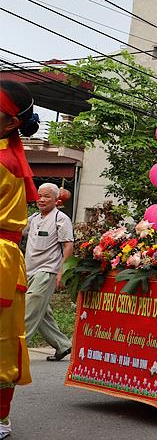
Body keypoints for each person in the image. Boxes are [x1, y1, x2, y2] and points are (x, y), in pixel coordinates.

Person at [0, 81, 40, 439]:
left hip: (1, 260)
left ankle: (0, 418)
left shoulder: (5, 161)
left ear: (11, 123)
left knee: (2, 341)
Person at [22, 183, 74, 361]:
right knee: (42, 313)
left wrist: (61, 271)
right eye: (39, 196)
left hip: (47, 271)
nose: (41, 200)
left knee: (28, 311)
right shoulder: (34, 218)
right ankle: (63, 345)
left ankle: (14, 350)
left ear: (56, 199)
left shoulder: (61, 219)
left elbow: (68, 246)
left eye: (46, 196)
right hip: (29, 270)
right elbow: (17, 230)